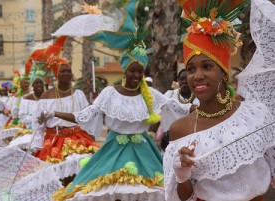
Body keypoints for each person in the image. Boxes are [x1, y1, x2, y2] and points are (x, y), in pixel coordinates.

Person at [43, 1, 191, 200]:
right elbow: (84, 116)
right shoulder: (109, 94)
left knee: (147, 192)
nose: (137, 75)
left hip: (144, 154)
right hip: (113, 152)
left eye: (140, 71)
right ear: (125, 70)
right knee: (110, 191)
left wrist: (208, 107)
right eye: (132, 70)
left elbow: (179, 109)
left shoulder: (153, 95)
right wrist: (54, 113)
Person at [164, 0, 275, 201]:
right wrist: (182, 176)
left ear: (224, 73)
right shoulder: (181, 129)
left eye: (207, 66)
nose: (197, 76)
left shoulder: (256, 116)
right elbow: (183, 198)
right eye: (191, 69)